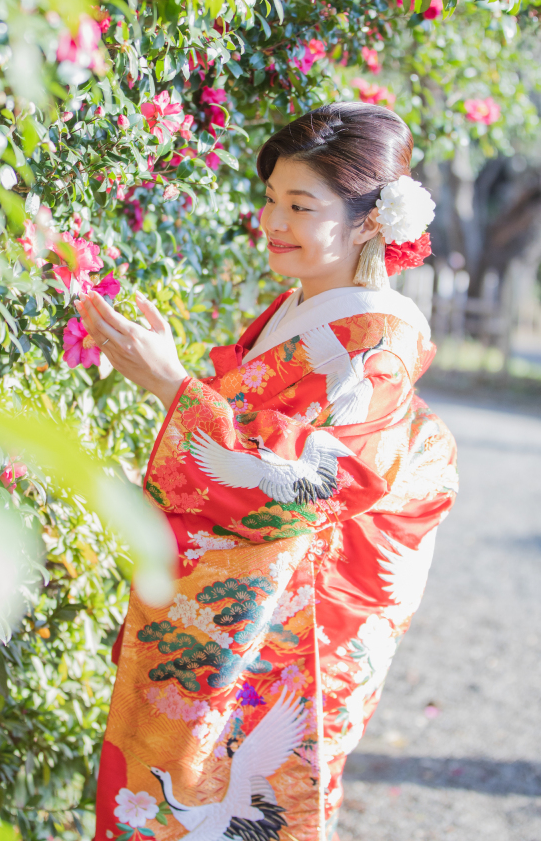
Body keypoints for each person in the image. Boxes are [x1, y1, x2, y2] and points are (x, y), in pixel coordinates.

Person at [79, 102, 458, 841]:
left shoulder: (377, 340)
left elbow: (315, 482)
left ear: (371, 220)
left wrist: (172, 389)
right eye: (271, 199)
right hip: (255, 594)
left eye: (300, 205)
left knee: (232, 797)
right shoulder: (307, 306)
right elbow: (257, 424)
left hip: (296, 622)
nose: (273, 221)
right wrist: (186, 387)